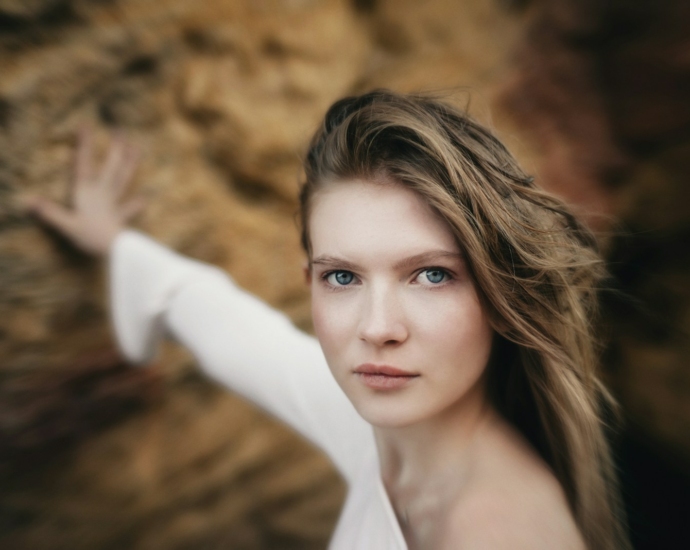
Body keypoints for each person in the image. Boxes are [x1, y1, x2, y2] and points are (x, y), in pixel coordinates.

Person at [27, 90, 630, 549]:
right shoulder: (379, 432)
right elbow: (228, 325)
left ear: (502, 293)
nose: (377, 327)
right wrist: (114, 243)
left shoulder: (508, 534)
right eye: (342, 276)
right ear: (310, 281)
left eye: (431, 274)